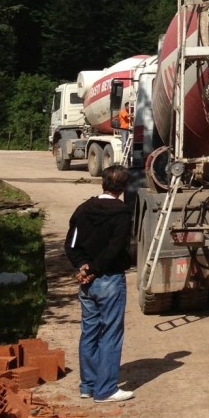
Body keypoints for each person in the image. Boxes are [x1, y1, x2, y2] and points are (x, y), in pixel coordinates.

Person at [64, 164, 135, 403]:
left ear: (102, 183)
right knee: (111, 333)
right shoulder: (122, 213)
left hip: (87, 282)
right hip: (109, 280)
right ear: (123, 187)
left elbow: (71, 244)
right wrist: (94, 269)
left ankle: (88, 385)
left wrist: (82, 266)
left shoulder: (83, 209)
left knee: (89, 332)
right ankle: (105, 390)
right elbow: (115, 249)